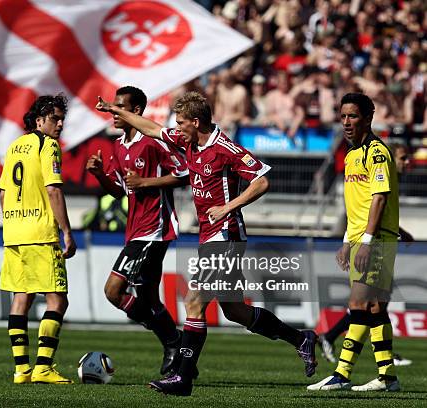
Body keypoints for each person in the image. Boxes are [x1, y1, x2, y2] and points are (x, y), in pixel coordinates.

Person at [96, 91, 318, 396]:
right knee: (235, 311)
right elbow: (151, 128)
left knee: (194, 302)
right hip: (211, 235)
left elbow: (262, 180)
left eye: (182, 122)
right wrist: (112, 108)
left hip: (225, 233)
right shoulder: (188, 141)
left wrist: (229, 207)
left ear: (196, 122)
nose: (177, 128)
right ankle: (300, 338)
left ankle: (182, 378)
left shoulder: (224, 148)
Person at [86, 86, 189, 376]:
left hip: (154, 228)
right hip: (135, 230)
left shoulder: (153, 142)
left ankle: (173, 341)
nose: (113, 113)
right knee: (147, 299)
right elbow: (120, 191)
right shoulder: (119, 146)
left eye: (120, 107)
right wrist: (99, 175)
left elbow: (184, 174)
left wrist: (146, 183)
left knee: (113, 291)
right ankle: (177, 346)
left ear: (137, 111)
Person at [308, 93, 401, 392]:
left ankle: (342, 374)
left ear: (368, 117)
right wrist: (349, 240)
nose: (346, 122)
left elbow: (380, 197)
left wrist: (368, 241)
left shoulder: (377, 153)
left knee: (358, 303)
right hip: (362, 238)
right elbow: (356, 205)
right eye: (343, 116)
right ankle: (388, 378)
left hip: (376, 240)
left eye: (353, 116)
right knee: (374, 307)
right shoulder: (350, 155)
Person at [0, 94, 76, 385]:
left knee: (21, 298)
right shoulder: (49, 145)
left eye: (61, 119)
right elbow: (54, 190)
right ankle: (42, 367)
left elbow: (4, 193)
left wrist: (14, 223)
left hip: (14, 233)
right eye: (55, 118)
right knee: (57, 299)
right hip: (40, 234)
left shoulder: (14, 146)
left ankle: (21, 370)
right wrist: (66, 231)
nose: (60, 124)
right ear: (39, 120)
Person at [317, 142, 413, 367]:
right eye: (402, 158)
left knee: (375, 305)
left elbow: (381, 213)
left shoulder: (388, 179)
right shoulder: (378, 169)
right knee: (366, 304)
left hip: (379, 240)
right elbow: (370, 210)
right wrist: (355, 242)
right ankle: (348, 363)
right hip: (373, 241)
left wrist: (399, 232)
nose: (406, 163)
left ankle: (382, 368)